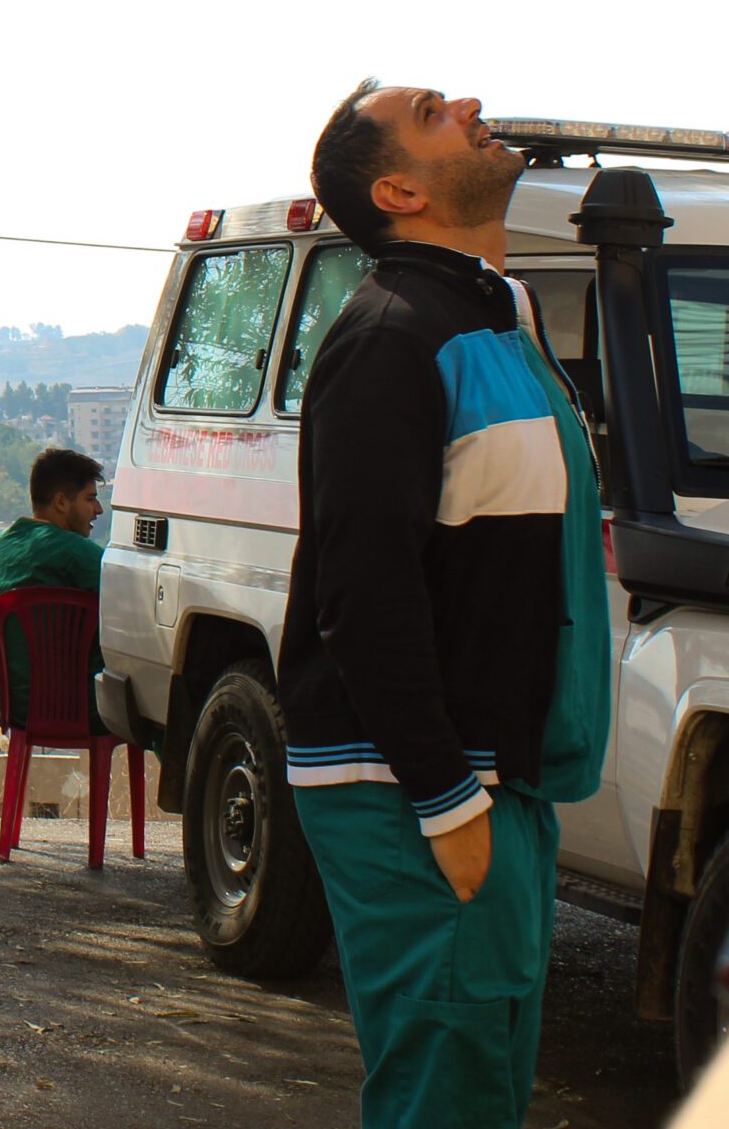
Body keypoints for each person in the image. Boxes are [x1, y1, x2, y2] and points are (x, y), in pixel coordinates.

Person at [282, 81, 609, 1129]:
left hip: (492, 782)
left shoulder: (491, 320)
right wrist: (443, 799)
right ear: (399, 192)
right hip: (417, 789)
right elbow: (361, 591)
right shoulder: (391, 334)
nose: (468, 102)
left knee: (482, 1083)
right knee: (446, 1093)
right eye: (431, 112)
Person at [0, 448, 113, 736]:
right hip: (79, 709)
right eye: (90, 499)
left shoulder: (1, 545)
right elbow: (129, 595)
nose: (99, 509)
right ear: (62, 502)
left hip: (15, 708)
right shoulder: (73, 550)